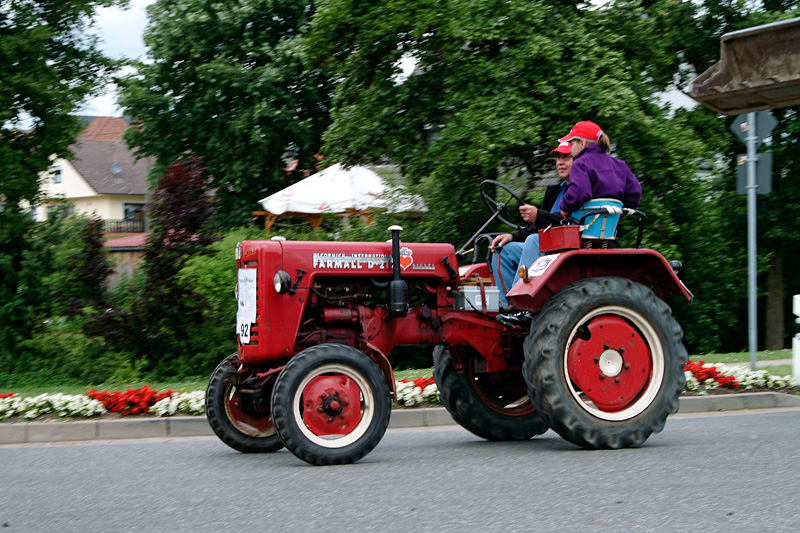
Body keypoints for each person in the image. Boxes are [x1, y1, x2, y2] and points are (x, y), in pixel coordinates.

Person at [491, 141, 573, 311]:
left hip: (565, 248)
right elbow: (538, 224)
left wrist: (539, 215)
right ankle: (506, 308)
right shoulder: (555, 190)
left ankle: (519, 305)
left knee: (534, 240)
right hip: (547, 248)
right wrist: (512, 236)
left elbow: (570, 220)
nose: (560, 163)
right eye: (558, 158)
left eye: (566, 158)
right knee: (503, 250)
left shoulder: (581, 190)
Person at [556, 120, 641, 218]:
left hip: (585, 224)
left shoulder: (580, 163)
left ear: (582, 143)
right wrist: (618, 213)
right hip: (610, 226)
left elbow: (579, 192)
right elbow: (635, 192)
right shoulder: (620, 165)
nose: (570, 149)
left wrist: (565, 207)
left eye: (572, 144)